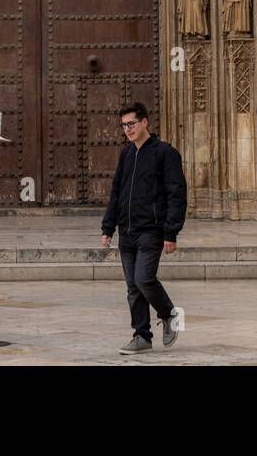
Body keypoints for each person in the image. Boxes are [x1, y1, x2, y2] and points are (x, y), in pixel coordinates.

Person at [101, 102, 188, 354]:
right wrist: (108, 227)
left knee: (143, 278)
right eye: (124, 125)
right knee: (132, 287)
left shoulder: (164, 153)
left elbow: (176, 193)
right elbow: (116, 192)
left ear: (144, 122)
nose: (127, 129)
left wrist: (171, 232)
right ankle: (141, 336)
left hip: (152, 230)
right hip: (126, 230)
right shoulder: (126, 154)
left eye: (131, 124)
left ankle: (169, 313)